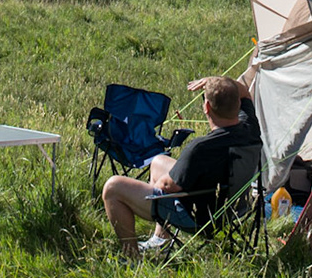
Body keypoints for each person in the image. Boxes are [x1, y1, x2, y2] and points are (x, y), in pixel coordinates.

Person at [101, 75, 259, 257]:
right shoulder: (251, 128)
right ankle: (161, 239)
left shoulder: (201, 148)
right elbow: (245, 92)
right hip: (237, 209)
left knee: (113, 187)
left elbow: (168, 186)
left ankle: (131, 256)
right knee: (158, 162)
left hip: (199, 218)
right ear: (238, 104)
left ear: (206, 107)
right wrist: (218, 81)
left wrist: (155, 188)